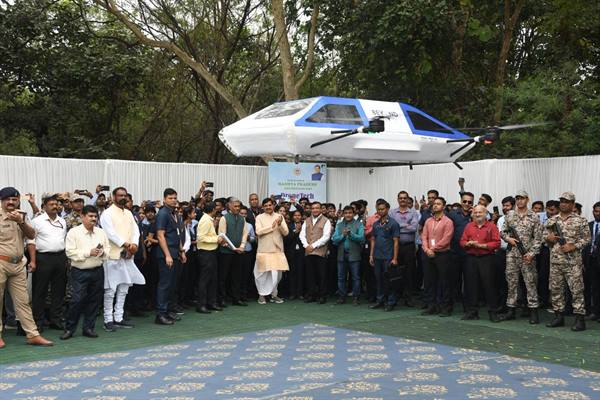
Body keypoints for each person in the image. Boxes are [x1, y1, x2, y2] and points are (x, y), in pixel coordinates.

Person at [0, 186, 53, 348]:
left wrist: (21, 221)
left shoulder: (22, 215)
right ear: (1, 201)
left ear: (18, 201)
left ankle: (32, 335)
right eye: (7, 199)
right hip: (1, 263)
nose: (11, 202)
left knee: (23, 302)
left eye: (14, 199)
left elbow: (31, 235)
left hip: (18, 264)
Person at [100, 187, 145, 331]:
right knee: (110, 290)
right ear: (113, 197)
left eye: (124, 195)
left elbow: (136, 231)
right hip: (112, 256)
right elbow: (110, 233)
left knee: (124, 288)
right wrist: (127, 245)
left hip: (128, 255)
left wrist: (134, 245)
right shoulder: (107, 213)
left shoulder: (129, 213)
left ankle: (119, 317)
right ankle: (108, 319)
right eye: (120, 195)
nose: (123, 198)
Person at [61, 205, 110, 340]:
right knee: (76, 301)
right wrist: (89, 253)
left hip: (97, 271)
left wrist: (102, 253)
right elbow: (70, 253)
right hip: (79, 272)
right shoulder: (74, 232)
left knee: (94, 301)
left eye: (95, 216)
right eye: (90, 216)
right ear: (82, 216)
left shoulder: (101, 232)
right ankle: (69, 329)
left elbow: (108, 249)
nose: (93, 219)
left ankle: (88, 328)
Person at [544, 192, 591, 331]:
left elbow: (587, 239)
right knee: (556, 290)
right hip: (556, 261)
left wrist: (574, 246)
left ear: (573, 204)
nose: (563, 204)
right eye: (562, 201)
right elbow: (544, 237)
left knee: (576, 290)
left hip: (573, 262)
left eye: (567, 202)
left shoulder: (580, 220)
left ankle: (579, 319)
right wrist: (548, 239)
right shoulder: (552, 220)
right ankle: (558, 317)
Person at [499, 190, 543, 324]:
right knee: (511, 282)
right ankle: (511, 310)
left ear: (527, 199)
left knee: (530, 283)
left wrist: (531, 254)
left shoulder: (534, 216)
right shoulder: (510, 215)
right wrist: (508, 239)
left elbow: (538, 238)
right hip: (512, 254)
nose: (519, 201)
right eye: (517, 198)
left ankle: (533, 311)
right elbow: (502, 231)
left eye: (522, 198)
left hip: (527, 255)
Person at [28, 195, 68, 332]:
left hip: (60, 257)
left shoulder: (62, 221)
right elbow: (31, 241)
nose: (55, 206)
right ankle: (38, 321)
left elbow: (63, 240)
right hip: (43, 258)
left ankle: (55, 320)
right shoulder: (37, 221)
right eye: (51, 204)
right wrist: (33, 261)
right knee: (40, 290)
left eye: (56, 204)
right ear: (44, 206)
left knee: (59, 290)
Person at [460, 205, 501, 322]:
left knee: (489, 285)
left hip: (486, 258)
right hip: (471, 258)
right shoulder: (469, 226)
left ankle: (493, 313)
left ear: (485, 213)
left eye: (480, 212)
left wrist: (483, 246)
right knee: (471, 285)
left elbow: (497, 243)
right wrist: (467, 244)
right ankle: (472, 312)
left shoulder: (492, 226)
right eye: (476, 212)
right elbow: (462, 241)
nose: (477, 214)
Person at [154, 188, 186, 325]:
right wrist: (167, 255)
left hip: (175, 253)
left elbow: (177, 234)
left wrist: (181, 251)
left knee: (172, 284)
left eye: (175, 198)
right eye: (170, 198)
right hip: (166, 254)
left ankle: (167, 311)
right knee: (165, 284)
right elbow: (160, 236)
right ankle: (160, 314)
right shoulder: (163, 213)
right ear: (164, 199)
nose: (173, 200)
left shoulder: (174, 213)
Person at [421, 197, 454, 316]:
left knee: (444, 282)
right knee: (430, 281)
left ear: (443, 207)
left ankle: (446, 308)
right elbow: (424, 236)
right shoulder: (428, 221)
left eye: (438, 204)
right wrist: (426, 249)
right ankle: (432, 306)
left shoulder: (448, 222)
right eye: (434, 203)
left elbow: (446, 239)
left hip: (442, 255)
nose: (435, 205)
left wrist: (432, 249)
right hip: (429, 254)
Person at [254, 198, 289, 304]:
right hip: (264, 250)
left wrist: (279, 224)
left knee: (277, 275)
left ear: (273, 205)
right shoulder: (259, 217)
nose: (268, 207)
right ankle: (261, 295)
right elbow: (258, 232)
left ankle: (274, 295)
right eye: (266, 205)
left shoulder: (279, 217)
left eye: (270, 205)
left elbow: (286, 232)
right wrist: (272, 226)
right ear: (263, 207)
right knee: (261, 274)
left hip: (277, 250)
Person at [369, 200, 401, 312]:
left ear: (387, 209)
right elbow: (373, 240)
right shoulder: (375, 224)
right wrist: (371, 255)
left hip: (388, 256)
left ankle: (391, 302)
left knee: (389, 280)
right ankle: (380, 300)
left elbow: (396, 242)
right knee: (378, 279)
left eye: (382, 209)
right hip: (377, 256)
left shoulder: (393, 223)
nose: (380, 211)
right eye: (378, 209)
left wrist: (395, 258)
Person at [389, 191, 419, 306]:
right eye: (400, 198)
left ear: (407, 199)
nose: (402, 200)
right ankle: (396, 296)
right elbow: (391, 227)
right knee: (396, 272)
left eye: (404, 198)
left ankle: (408, 297)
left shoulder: (413, 212)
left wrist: (398, 226)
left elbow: (414, 228)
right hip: (395, 246)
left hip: (409, 246)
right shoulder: (392, 212)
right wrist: (406, 225)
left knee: (409, 272)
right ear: (398, 199)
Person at [217, 198, 248, 306]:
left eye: (239, 206)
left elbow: (245, 234)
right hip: (225, 252)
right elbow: (222, 235)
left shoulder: (242, 219)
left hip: (239, 252)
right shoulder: (224, 218)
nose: (237, 208)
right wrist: (233, 248)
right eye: (235, 206)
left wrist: (242, 246)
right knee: (223, 277)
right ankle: (221, 299)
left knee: (237, 277)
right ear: (229, 206)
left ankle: (236, 298)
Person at [331, 206, 365, 305]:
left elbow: (362, 238)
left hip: (354, 254)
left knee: (355, 277)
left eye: (350, 213)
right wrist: (343, 235)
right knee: (341, 277)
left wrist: (351, 235)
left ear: (353, 214)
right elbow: (334, 239)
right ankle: (342, 297)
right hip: (341, 254)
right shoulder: (339, 225)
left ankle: (356, 297)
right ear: (343, 214)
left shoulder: (359, 224)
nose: (348, 215)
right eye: (346, 213)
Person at [300, 201, 332, 304]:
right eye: (313, 208)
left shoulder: (326, 221)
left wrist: (313, 246)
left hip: (320, 252)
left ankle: (322, 296)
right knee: (310, 275)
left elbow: (326, 237)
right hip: (308, 252)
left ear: (321, 209)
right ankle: (311, 295)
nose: (315, 210)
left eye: (317, 208)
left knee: (322, 275)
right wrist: (306, 246)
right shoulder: (307, 220)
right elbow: (302, 235)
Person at [195, 201, 223, 314]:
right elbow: (200, 237)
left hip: (211, 252)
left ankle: (211, 302)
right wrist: (216, 239)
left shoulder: (208, 219)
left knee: (212, 279)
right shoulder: (205, 220)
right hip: (205, 253)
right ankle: (201, 305)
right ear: (213, 210)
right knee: (205, 280)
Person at [448, 191, 474, 301]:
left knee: (469, 279)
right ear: (461, 201)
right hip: (454, 251)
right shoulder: (452, 214)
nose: (467, 204)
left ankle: (468, 303)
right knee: (454, 278)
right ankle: (455, 300)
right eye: (465, 201)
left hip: (470, 253)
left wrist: (473, 217)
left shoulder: (475, 215)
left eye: (469, 202)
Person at [584, 202, 600, 321]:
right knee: (593, 287)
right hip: (590, 261)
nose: (598, 214)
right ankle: (594, 312)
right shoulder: (588, 225)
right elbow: (584, 245)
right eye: (596, 211)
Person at [239, 206, 256, 301]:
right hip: (237, 252)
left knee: (246, 274)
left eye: (245, 214)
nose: (243, 215)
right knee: (238, 274)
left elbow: (254, 238)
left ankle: (244, 294)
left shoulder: (249, 226)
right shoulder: (235, 224)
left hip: (247, 251)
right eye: (241, 213)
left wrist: (250, 238)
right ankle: (236, 295)